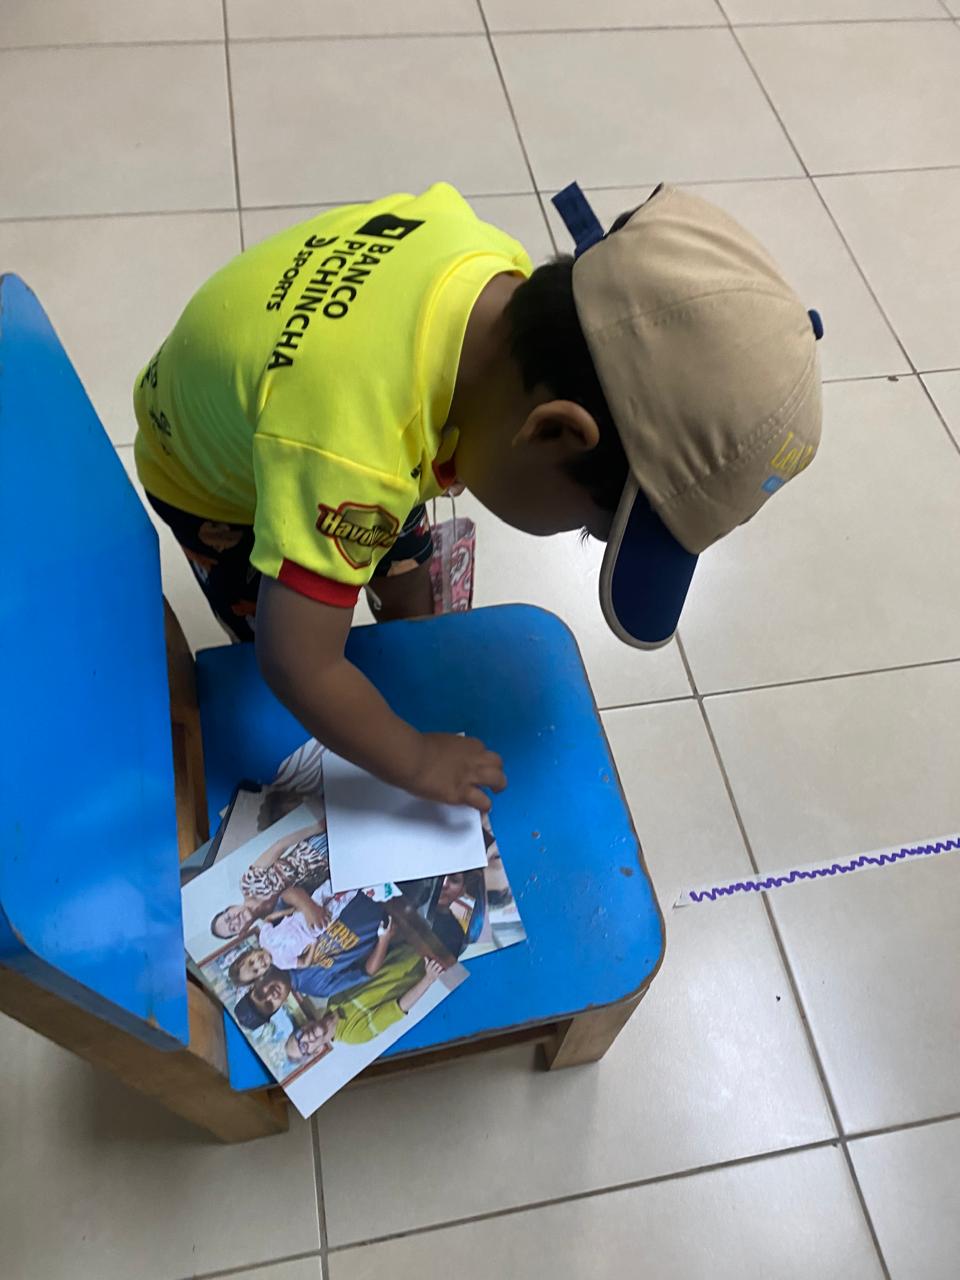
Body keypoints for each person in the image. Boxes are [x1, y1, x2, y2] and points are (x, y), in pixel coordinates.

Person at [134, 183, 822, 811]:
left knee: (394, 558)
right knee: (285, 641)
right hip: (214, 483)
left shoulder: (492, 274)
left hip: (316, 401)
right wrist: (415, 760)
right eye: (590, 528)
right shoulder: (350, 455)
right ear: (552, 430)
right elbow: (295, 665)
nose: (585, 535)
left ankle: (391, 625)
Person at [284, 948, 446, 1057]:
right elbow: (399, 1007)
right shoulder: (355, 1035)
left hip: (409, 945)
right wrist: (429, 978)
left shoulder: (333, 1000)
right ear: (318, 1050)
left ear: (303, 1025)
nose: (305, 1038)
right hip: (426, 965)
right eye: (303, 1047)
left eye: (298, 1035)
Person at [210, 824, 331, 941]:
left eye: (229, 917)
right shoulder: (274, 919)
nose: (236, 920)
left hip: (317, 849)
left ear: (231, 907)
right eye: (233, 928)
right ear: (242, 932)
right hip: (329, 875)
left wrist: (317, 827)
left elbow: (280, 845)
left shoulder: (249, 883)